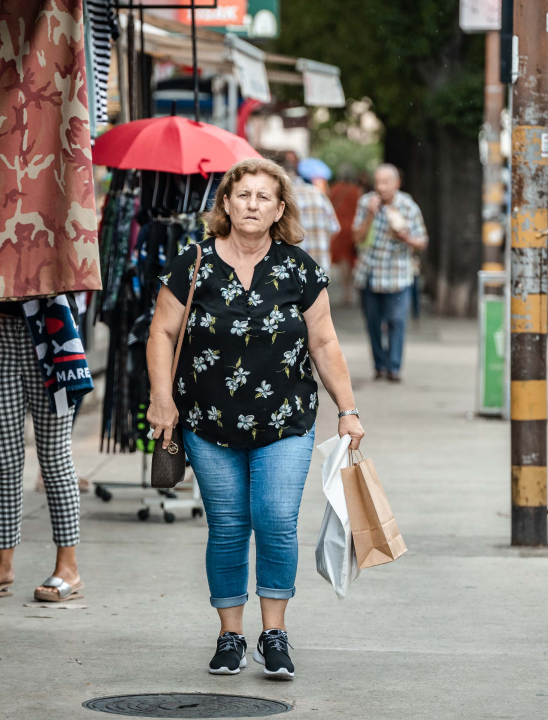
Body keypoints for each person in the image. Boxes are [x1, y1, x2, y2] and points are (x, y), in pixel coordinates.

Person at [147, 158, 364, 680]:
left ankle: (273, 634)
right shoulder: (191, 264)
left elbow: (325, 340)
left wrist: (348, 408)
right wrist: (162, 400)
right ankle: (229, 636)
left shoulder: (300, 269)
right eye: (242, 195)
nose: (251, 204)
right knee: (226, 528)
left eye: (263, 197)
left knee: (274, 522)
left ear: (279, 209)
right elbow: (161, 333)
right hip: (208, 422)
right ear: (225, 203)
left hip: (285, 421)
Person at [0, 300, 84, 603]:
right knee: (4, 458)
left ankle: (68, 568)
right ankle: (3, 567)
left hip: (51, 325)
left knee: (55, 459)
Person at [351, 164, 429, 383]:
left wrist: (405, 237)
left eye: (386, 183)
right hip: (369, 273)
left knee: (397, 321)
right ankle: (379, 365)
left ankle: (394, 368)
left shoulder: (407, 206)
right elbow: (356, 237)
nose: (381, 187)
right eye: (378, 182)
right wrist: (370, 216)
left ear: (397, 183)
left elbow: (422, 241)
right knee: (373, 322)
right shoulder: (367, 203)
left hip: (398, 275)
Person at [287, 157, 339, 271]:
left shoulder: (288, 195)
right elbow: (335, 228)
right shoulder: (320, 196)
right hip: (320, 265)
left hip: (295, 267)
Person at [328, 166, 363, 307]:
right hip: (351, 229)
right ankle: (349, 291)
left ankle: (345, 291)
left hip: (338, 228)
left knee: (342, 261)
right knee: (349, 259)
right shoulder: (355, 191)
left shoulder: (334, 189)